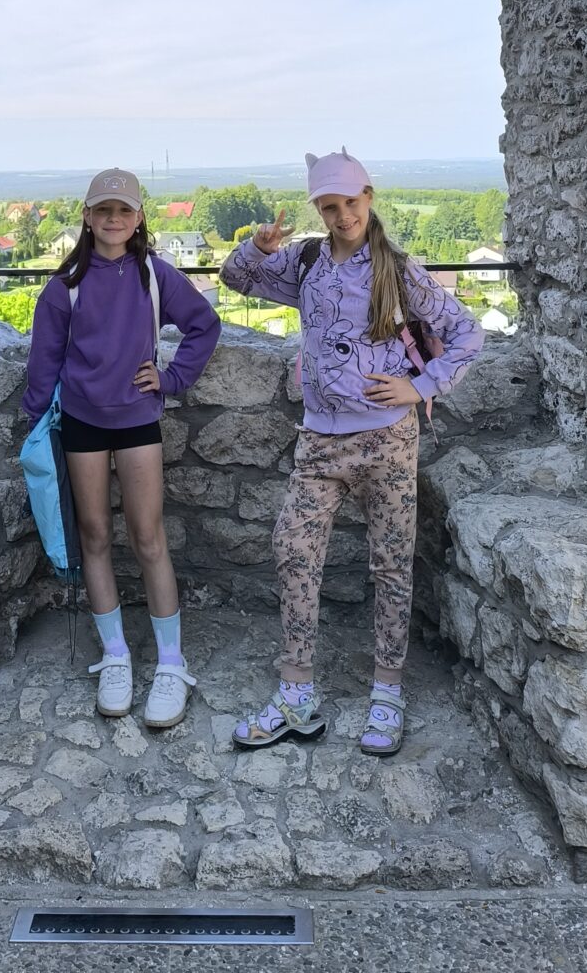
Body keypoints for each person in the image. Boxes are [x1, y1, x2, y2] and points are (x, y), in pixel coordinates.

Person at [219, 149, 483, 757]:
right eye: (329, 207)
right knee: (294, 550)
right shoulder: (306, 261)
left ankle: (387, 692)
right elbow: (236, 280)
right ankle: (296, 695)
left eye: (350, 203)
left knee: (391, 564)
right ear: (319, 209)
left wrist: (421, 386)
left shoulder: (399, 269)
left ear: (368, 197)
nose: (342, 216)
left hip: (388, 438)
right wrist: (258, 248)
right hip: (319, 441)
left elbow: (468, 333)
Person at [22, 168, 222, 728]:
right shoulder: (65, 286)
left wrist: (172, 377)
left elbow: (204, 325)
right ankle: (115, 655)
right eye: (103, 210)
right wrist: (36, 425)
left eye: (124, 210)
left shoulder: (155, 275)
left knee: (148, 537)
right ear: (87, 217)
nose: (114, 219)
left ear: (139, 219)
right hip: (81, 422)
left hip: (137, 420)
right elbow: (44, 358)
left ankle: (171, 662)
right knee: (93, 535)